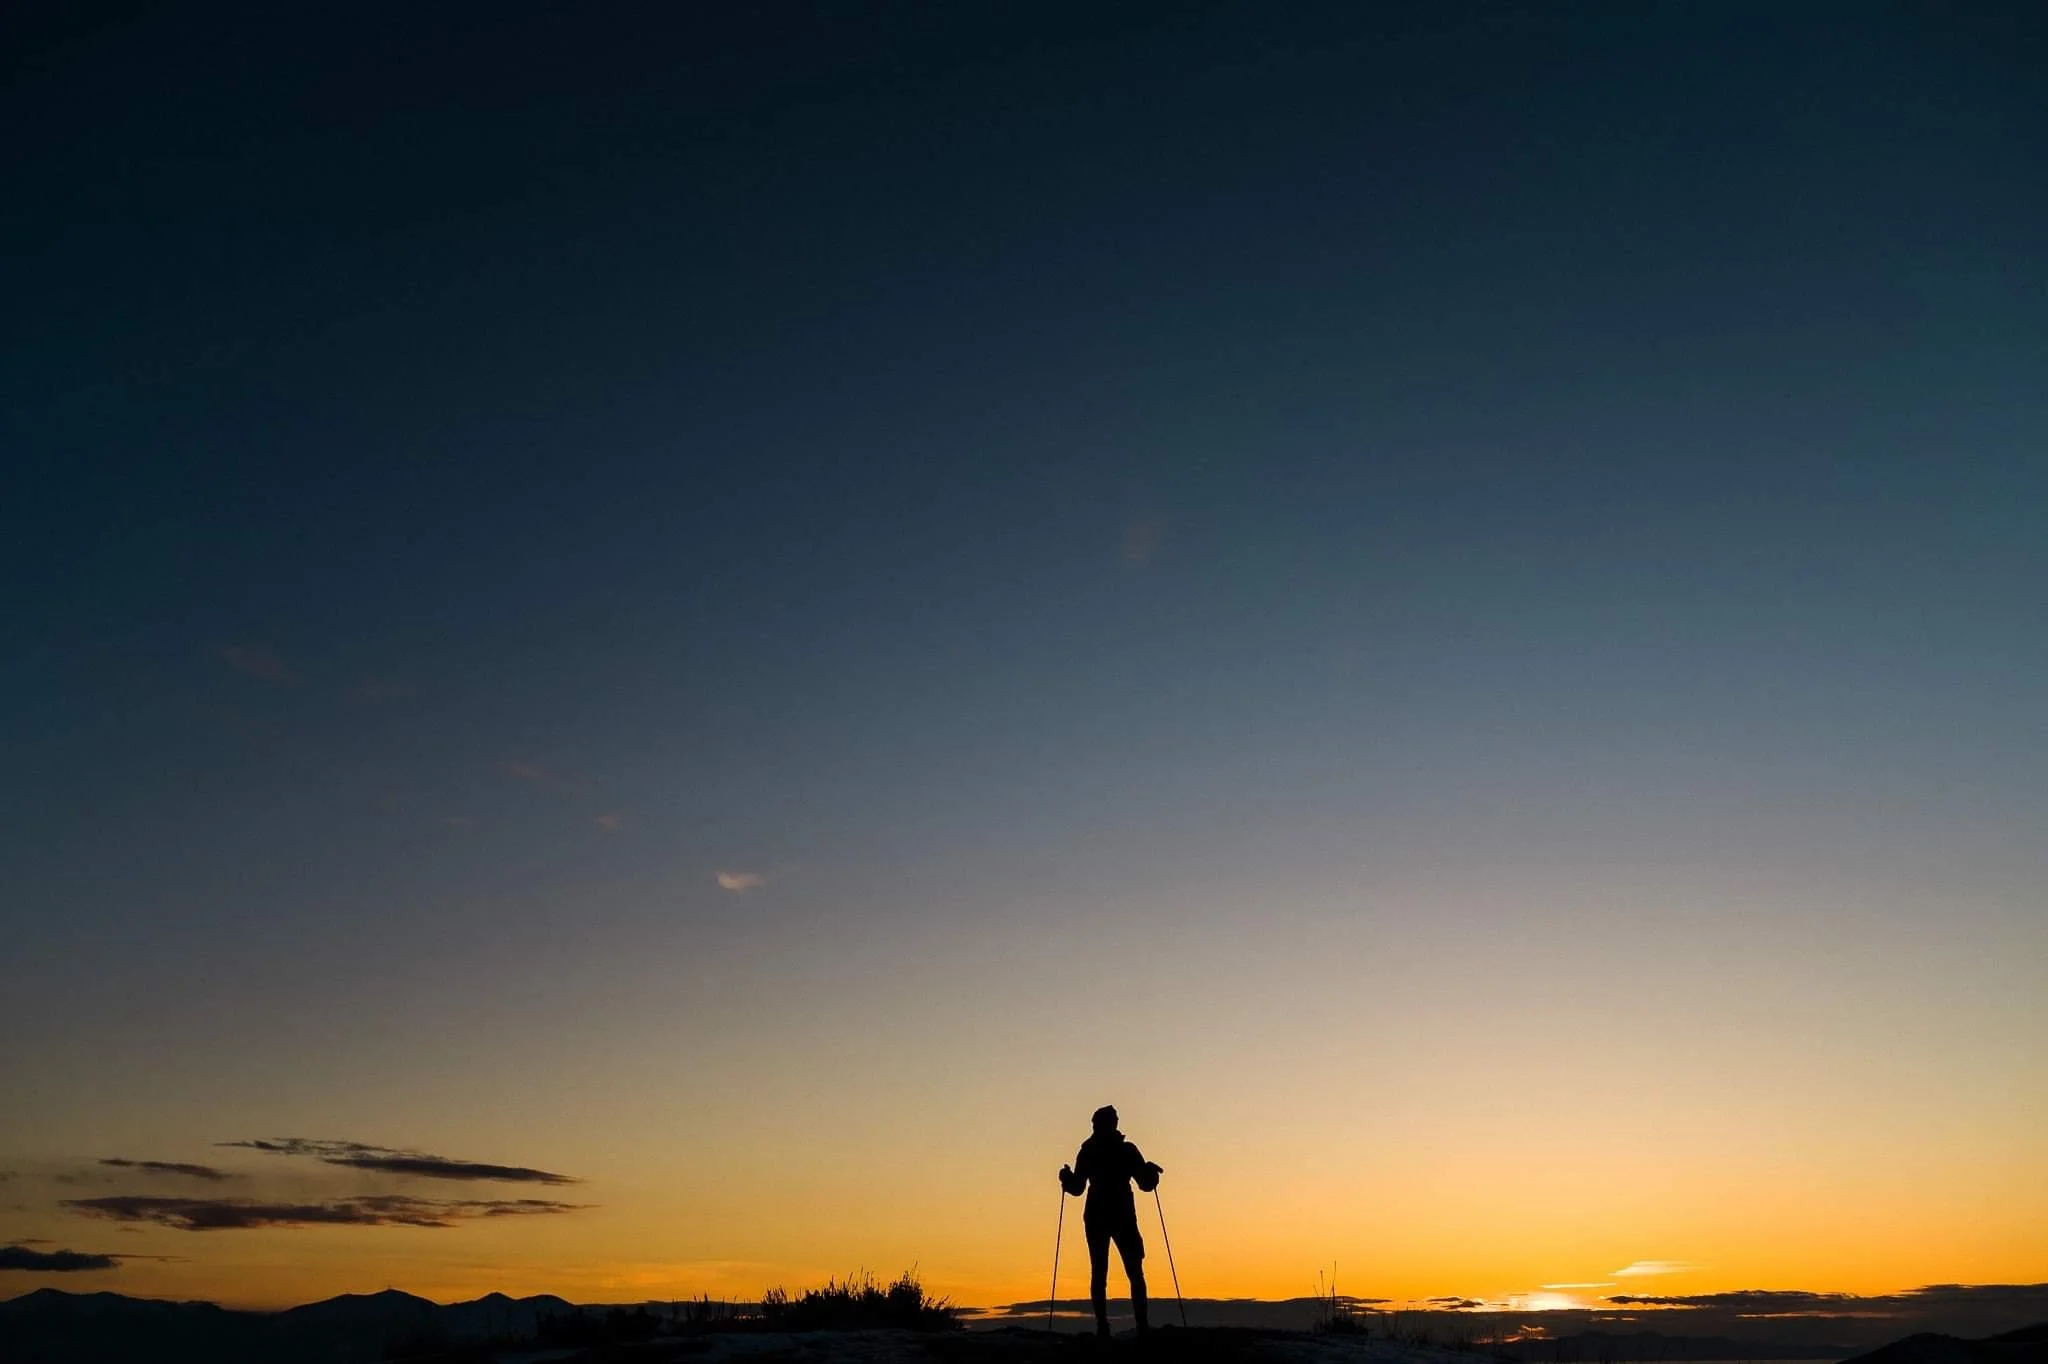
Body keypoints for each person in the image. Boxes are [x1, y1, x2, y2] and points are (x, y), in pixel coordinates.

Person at [1059, 1104, 1162, 1337]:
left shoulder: (1090, 1151)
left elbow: (1076, 1188)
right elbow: (1145, 1184)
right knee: (1131, 1270)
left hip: (1099, 1214)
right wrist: (1151, 1174)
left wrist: (1066, 1179)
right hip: (1120, 1213)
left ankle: (1105, 1326)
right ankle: (1137, 1326)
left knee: (1104, 1270)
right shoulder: (1125, 1150)